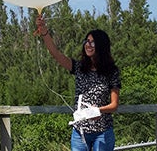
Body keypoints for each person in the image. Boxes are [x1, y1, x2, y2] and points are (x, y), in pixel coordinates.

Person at [35, 15, 121, 151]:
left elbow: (114, 105)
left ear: (102, 45)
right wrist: (44, 30)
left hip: (103, 132)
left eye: (93, 42)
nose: (88, 44)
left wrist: (96, 110)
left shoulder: (111, 71)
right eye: (87, 41)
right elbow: (55, 53)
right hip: (80, 132)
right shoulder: (79, 67)